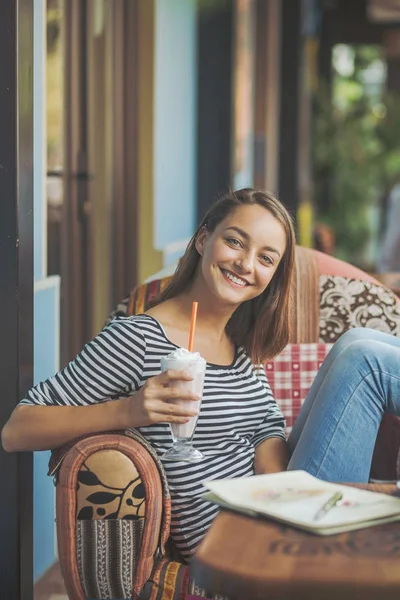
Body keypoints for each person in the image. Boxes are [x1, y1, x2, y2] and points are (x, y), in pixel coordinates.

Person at [2, 188, 400, 562]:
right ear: (202, 240)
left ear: (273, 276)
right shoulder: (138, 337)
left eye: (266, 258)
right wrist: (130, 411)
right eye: (235, 242)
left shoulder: (239, 343)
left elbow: (265, 431)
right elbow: (16, 429)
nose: (245, 264)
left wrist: (282, 490)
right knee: (364, 361)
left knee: (355, 341)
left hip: (272, 510)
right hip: (234, 540)